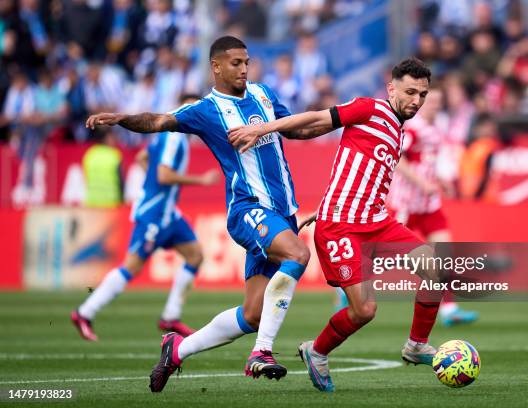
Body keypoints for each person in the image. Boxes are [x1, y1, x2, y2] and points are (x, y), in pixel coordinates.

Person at [85, 36, 328, 392]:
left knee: (252, 314)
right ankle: (261, 352)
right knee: (298, 253)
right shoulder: (207, 109)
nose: (244, 69)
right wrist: (123, 119)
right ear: (216, 66)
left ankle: (177, 350)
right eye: (235, 63)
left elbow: (299, 129)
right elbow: (160, 120)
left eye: (246, 62)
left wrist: (340, 121)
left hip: (282, 213)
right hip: (248, 209)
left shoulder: (263, 95)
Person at [229, 57, 443, 392]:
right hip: (341, 226)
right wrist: (263, 127)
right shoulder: (367, 108)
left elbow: (361, 173)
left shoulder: (398, 129)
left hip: (375, 220)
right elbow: (318, 119)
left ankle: (416, 345)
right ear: (391, 88)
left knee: (432, 267)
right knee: (365, 310)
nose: (416, 101)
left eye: (422, 95)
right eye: (410, 92)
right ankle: (316, 351)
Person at [72, 94, 220, 342]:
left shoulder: (167, 134)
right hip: (154, 213)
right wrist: (201, 180)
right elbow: (163, 176)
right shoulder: (175, 140)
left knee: (195, 255)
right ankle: (84, 313)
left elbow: (143, 159)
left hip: (168, 213)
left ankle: (170, 317)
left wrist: (152, 180)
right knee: (132, 266)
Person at [386, 87, 478, 327]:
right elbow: (398, 158)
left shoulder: (436, 130)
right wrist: (421, 183)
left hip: (429, 206)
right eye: (431, 101)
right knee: (382, 256)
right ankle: (345, 291)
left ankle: (450, 310)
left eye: (439, 101)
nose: (435, 105)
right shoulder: (414, 129)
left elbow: (427, 163)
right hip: (406, 205)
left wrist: (441, 182)